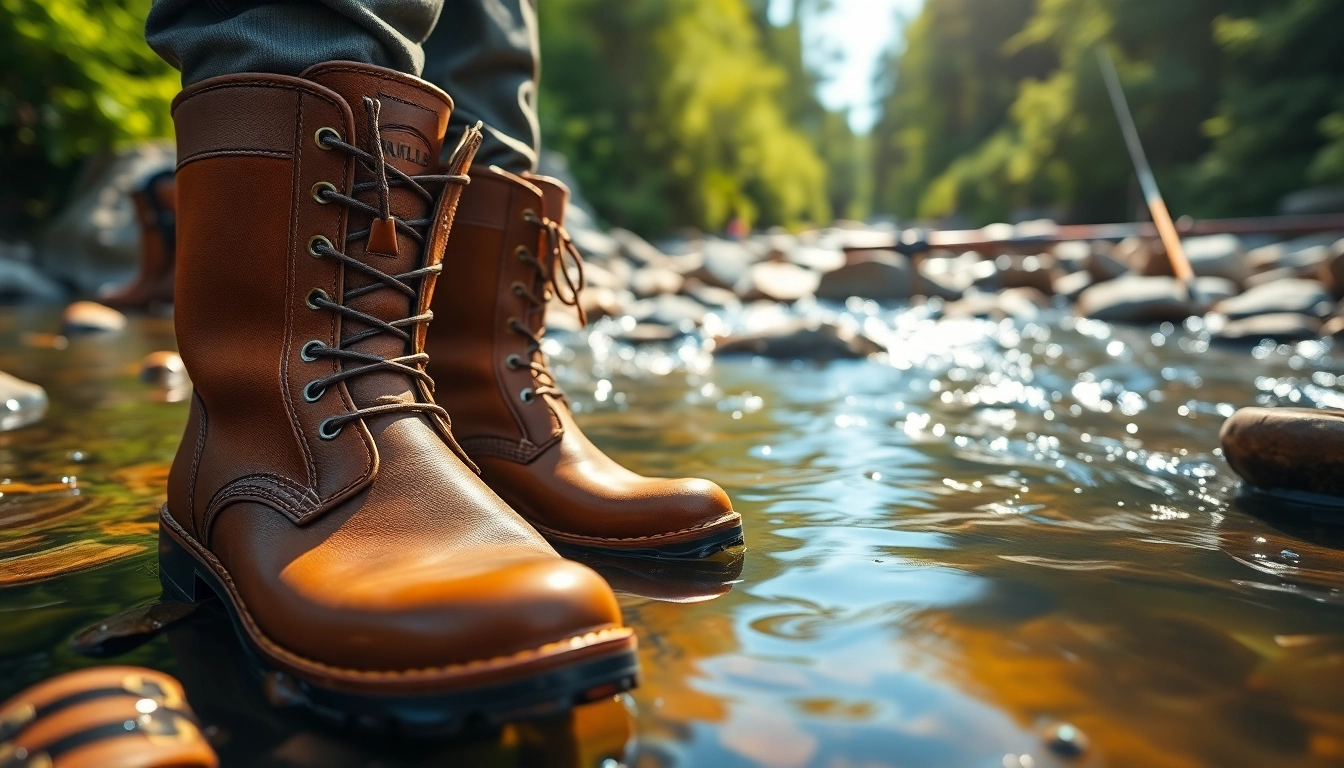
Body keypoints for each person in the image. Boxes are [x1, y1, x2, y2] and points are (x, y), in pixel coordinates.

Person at [142, 0, 743, 729]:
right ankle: (272, 451)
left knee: (486, 51)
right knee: (318, 20)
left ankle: (458, 411)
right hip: (298, 455)